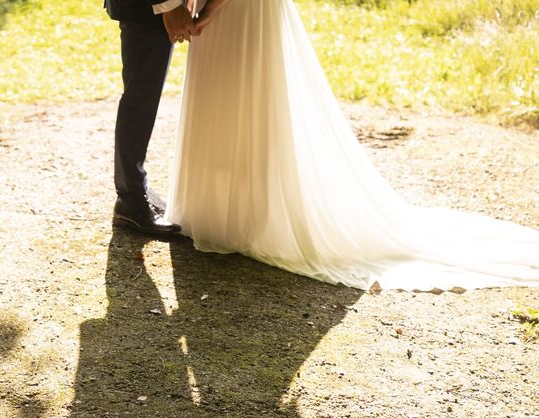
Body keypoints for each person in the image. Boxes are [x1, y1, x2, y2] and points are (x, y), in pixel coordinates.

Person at [166, 0, 539, 291]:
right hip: (217, 11)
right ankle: (225, 213)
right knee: (226, 98)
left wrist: (213, 6)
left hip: (245, 12)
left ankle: (246, 217)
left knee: (248, 97)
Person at [104, 0, 198, 235]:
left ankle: (134, 189)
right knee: (139, 99)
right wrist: (169, 6)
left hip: (150, 9)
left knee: (142, 96)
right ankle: (130, 199)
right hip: (146, 8)